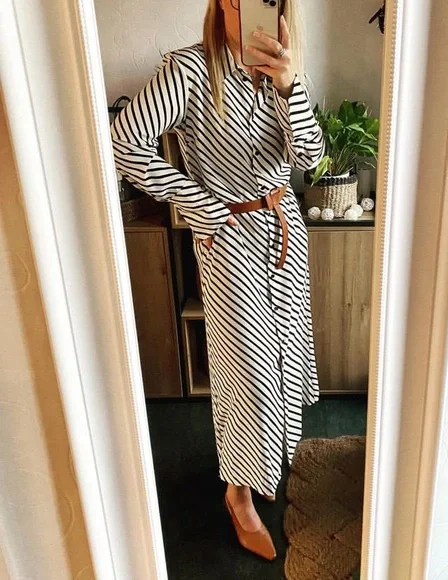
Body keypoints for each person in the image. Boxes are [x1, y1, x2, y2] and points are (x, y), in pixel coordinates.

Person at [110, 0, 324, 561]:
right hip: (229, 239)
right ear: (222, 2)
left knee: (284, 356)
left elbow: (311, 157)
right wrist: (198, 204)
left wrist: (290, 87)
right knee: (246, 372)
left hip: (285, 228)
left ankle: (267, 461)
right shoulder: (188, 70)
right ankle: (238, 492)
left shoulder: (283, 70)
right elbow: (124, 144)